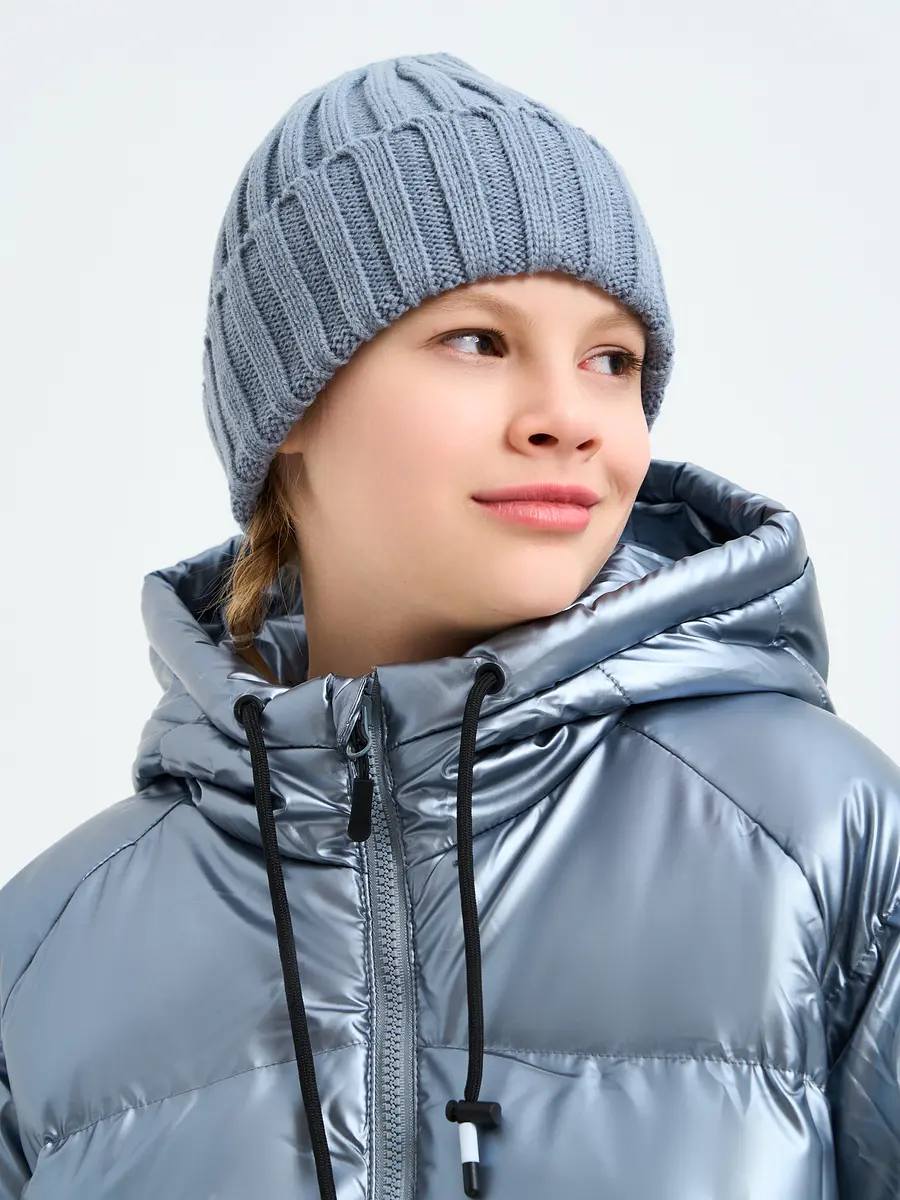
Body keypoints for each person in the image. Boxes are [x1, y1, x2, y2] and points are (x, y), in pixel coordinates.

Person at [1, 49, 899, 1200]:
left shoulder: (816, 837)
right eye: (479, 341)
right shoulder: (45, 950)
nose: (569, 416)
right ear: (294, 401)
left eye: (612, 359)